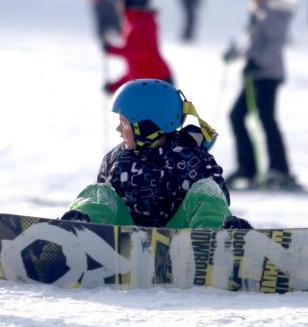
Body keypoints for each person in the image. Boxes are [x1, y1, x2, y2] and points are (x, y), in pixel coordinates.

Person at [61, 79, 251, 230]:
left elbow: (217, 198)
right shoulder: (115, 160)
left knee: (206, 189)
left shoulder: (194, 158)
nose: (118, 129)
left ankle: (219, 238)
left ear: (148, 126)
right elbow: (105, 205)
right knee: (99, 192)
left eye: (124, 122)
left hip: (182, 239)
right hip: (124, 238)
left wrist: (217, 215)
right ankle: (79, 228)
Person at [224, 0, 301, 191]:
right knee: (241, 116)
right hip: (257, 75)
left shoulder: (273, 13)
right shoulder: (260, 13)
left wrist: (256, 62)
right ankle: (249, 168)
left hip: (267, 75)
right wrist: (235, 54)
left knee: (263, 119)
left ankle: (278, 169)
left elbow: (273, 46)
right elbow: (253, 45)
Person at [102, 0, 173, 94]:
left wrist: (112, 50)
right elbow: (137, 68)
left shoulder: (144, 22)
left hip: (157, 83)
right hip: (146, 83)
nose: (117, 5)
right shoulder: (133, 22)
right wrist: (115, 85)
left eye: (120, 1)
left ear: (129, 2)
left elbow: (142, 52)